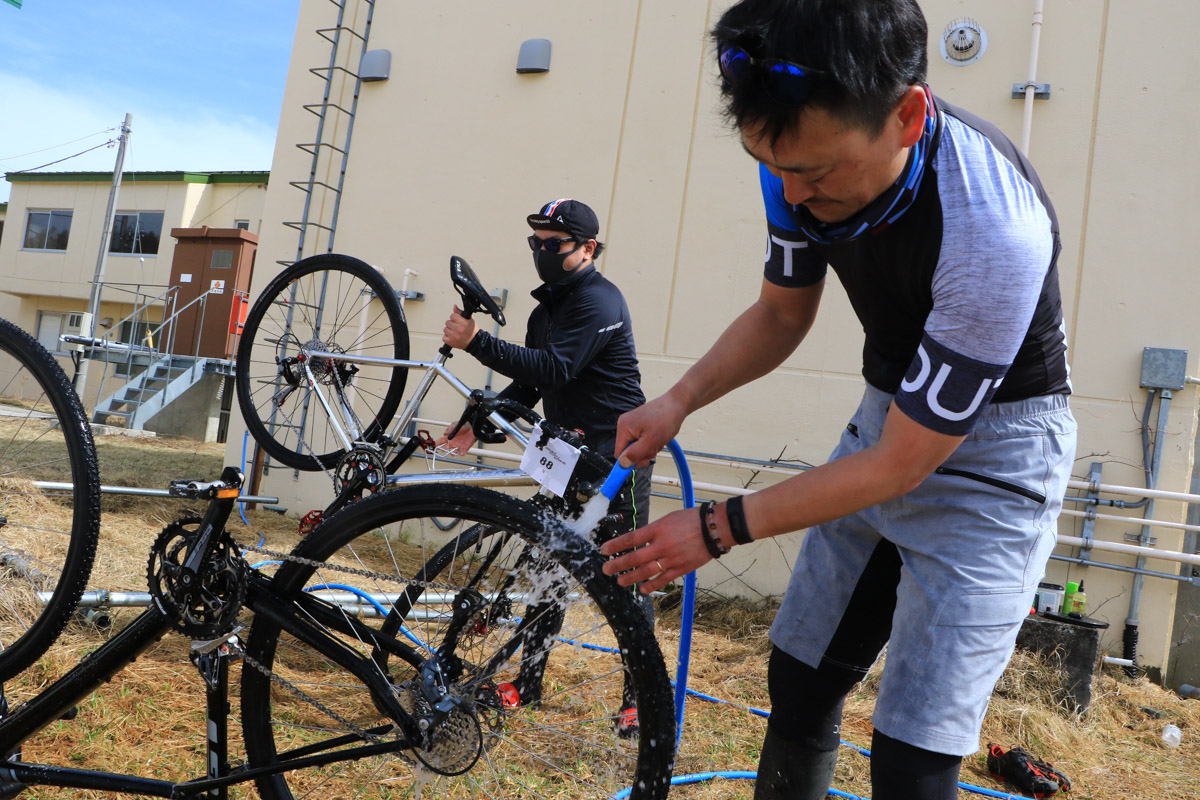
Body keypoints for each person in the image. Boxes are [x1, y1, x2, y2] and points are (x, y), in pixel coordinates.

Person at [599, 1, 1076, 798]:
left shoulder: (995, 231)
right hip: (889, 412)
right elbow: (783, 312)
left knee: (913, 754)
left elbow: (903, 465)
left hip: (995, 455)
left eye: (816, 174)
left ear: (907, 115)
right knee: (802, 680)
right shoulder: (793, 150)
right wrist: (678, 399)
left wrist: (717, 527)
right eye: (770, 161)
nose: (791, 189)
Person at [439, 198, 653, 736]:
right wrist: (476, 425)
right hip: (565, 457)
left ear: (588, 249)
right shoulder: (546, 310)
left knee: (626, 579)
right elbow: (531, 387)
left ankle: (640, 700)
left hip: (615, 461)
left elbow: (555, 369)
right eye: (535, 241)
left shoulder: (600, 302)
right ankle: (527, 684)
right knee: (547, 570)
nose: (541, 251)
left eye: (553, 244)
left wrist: (477, 343)